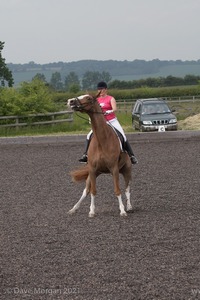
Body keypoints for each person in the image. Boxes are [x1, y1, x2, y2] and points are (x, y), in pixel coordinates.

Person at [79, 81, 138, 164]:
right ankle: (85, 155)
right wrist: (91, 118)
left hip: (111, 121)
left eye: (102, 89)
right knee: (89, 135)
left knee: (122, 135)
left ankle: (131, 155)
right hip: (101, 123)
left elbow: (115, 109)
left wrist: (109, 111)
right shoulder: (96, 100)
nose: (100, 91)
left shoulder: (110, 98)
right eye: (99, 89)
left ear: (106, 89)